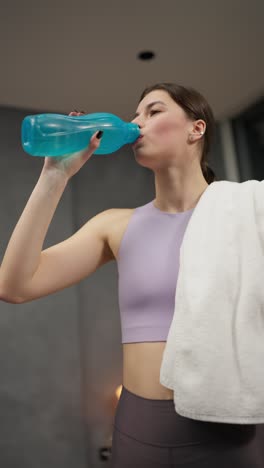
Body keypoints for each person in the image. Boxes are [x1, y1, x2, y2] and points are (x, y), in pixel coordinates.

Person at [0, 83, 261, 467]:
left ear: (196, 129)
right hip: (140, 428)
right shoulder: (116, 226)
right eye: (135, 114)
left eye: (153, 112)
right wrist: (55, 176)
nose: (136, 123)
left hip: (226, 428)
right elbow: (14, 285)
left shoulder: (246, 212)